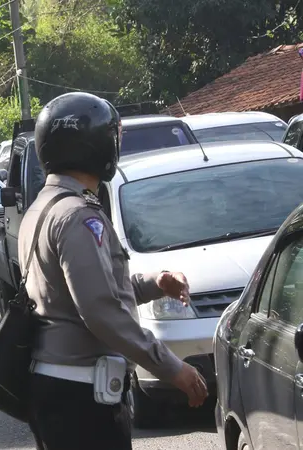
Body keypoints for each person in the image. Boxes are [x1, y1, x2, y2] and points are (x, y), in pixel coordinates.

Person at [18, 92, 208, 449]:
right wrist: (171, 367)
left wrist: (153, 283)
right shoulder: (77, 215)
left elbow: (79, 292)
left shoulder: (42, 208)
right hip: (83, 395)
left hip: (58, 387)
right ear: (95, 146)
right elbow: (100, 310)